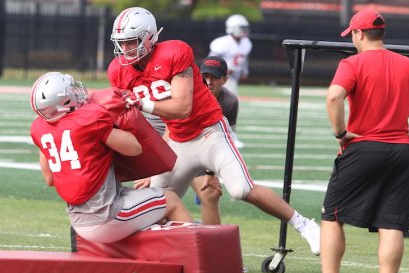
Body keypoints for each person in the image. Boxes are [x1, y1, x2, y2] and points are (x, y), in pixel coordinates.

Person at [107, 7, 321, 255]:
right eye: (122, 43)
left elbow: (182, 108)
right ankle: (192, 256)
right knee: (153, 203)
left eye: (131, 41)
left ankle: (305, 225)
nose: (126, 49)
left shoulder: (174, 52)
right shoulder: (118, 70)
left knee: (241, 189)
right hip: (176, 140)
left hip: (209, 132)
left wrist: (140, 103)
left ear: (149, 37)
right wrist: (150, 160)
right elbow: (138, 120)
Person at [321, 9, 409, 273]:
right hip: (401, 150)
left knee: (331, 216)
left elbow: (334, 97)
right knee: (391, 225)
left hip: (363, 148)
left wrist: (340, 134)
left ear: (359, 33)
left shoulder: (352, 64)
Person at [29, 72, 193, 244]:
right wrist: (119, 118)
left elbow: (50, 179)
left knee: (151, 208)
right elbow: (135, 148)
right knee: (171, 200)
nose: (77, 90)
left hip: (78, 222)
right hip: (108, 217)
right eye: (71, 89)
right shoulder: (90, 120)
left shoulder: (41, 130)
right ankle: (195, 261)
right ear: (64, 101)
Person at [189, 56, 240, 224]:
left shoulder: (230, 102)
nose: (209, 82)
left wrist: (210, 173)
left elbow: (224, 140)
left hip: (204, 148)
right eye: (205, 76)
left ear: (225, 79)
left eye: (215, 77)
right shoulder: (186, 95)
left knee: (210, 193)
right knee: (157, 193)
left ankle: (212, 246)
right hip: (173, 146)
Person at [208, 13, 252, 148]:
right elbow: (211, 60)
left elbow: (245, 59)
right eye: (241, 27)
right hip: (221, 78)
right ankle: (230, 136)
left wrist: (244, 71)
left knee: (227, 105)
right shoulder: (222, 43)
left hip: (233, 77)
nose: (244, 30)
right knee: (229, 104)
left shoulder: (246, 43)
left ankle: (226, 135)